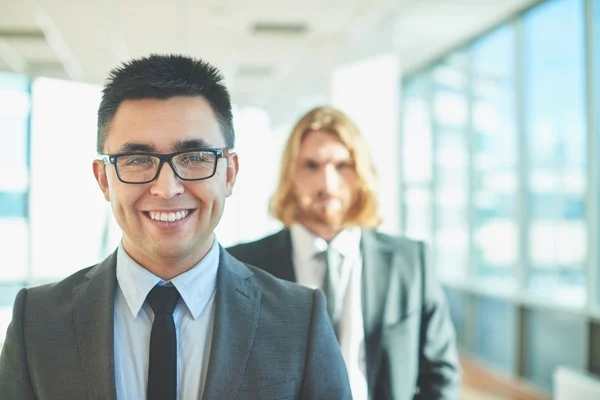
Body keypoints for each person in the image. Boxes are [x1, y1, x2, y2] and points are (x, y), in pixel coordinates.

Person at [0, 56, 351, 400]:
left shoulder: (299, 320)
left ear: (229, 173)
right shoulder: (38, 322)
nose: (167, 189)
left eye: (194, 158)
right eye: (137, 160)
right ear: (103, 180)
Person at [228, 106, 461, 400]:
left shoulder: (411, 262)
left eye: (342, 165)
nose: (327, 183)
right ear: (290, 175)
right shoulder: (243, 266)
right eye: (311, 165)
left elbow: (440, 376)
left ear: (361, 173)